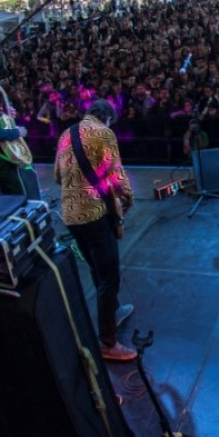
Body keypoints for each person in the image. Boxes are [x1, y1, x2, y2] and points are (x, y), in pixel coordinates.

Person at [54, 100, 137, 361]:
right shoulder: (104, 133)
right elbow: (116, 174)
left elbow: (58, 176)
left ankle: (113, 310)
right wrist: (128, 199)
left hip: (70, 215)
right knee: (109, 277)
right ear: (107, 118)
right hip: (94, 214)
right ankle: (108, 343)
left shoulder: (66, 134)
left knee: (95, 269)